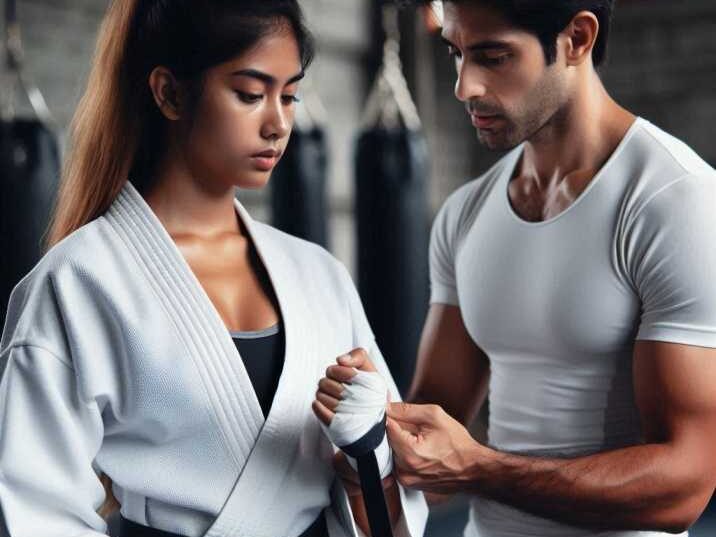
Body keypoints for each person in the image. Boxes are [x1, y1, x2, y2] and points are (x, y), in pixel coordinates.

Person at [0, 1, 427, 536]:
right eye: (250, 94)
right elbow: (37, 512)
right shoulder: (78, 282)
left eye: (289, 96)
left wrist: (370, 455)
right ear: (170, 93)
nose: (278, 123)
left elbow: (392, 515)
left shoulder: (319, 276)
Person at [317, 1, 716, 536]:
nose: (465, 86)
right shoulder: (466, 213)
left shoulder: (674, 202)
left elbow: (685, 487)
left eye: (493, 57)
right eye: (457, 54)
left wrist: (477, 466)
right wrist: (368, 432)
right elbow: (428, 457)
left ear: (576, 38)